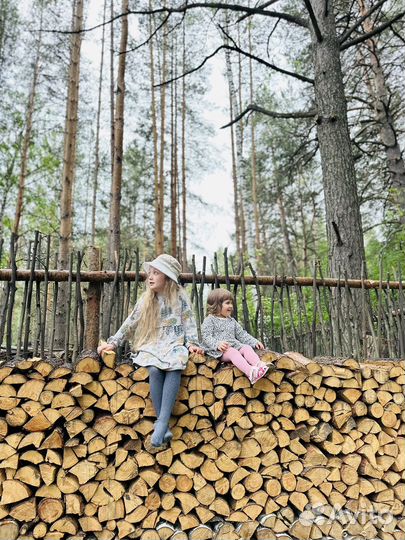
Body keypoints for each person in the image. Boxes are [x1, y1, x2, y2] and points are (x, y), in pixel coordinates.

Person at [97, 254, 203, 448]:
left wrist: (193, 343)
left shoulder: (179, 297)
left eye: (156, 273)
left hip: (174, 342)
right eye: (150, 273)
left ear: (168, 278)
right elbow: (131, 321)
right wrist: (114, 342)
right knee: (154, 369)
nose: (150, 277)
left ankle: (161, 422)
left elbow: (189, 321)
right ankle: (164, 425)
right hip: (153, 343)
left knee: (175, 366)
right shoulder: (147, 299)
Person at [201, 288, 268, 384]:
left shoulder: (231, 321)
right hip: (219, 350)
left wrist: (254, 342)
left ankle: (259, 365)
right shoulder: (210, 320)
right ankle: (250, 372)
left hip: (233, 345)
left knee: (246, 348)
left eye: (231, 303)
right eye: (227, 303)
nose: (231, 306)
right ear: (216, 305)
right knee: (233, 352)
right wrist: (217, 344)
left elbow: (242, 335)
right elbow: (206, 336)